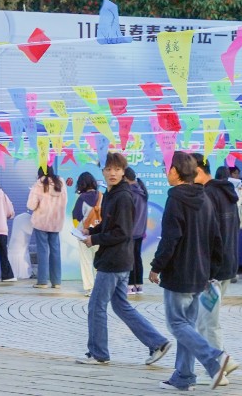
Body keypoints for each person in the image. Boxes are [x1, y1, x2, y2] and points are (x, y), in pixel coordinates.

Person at [150, 152, 237, 391]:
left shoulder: (175, 199)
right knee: (187, 325)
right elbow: (216, 239)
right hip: (200, 274)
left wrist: (157, 267)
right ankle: (184, 376)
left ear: (176, 172)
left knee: (177, 324)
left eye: (167, 168)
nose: (165, 172)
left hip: (179, 273)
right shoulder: (205, 198)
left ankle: (215, 359)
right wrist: (211, 270)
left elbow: (170, 239)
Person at [75, 152, 170, 367]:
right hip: (119, 259)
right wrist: (92, 231)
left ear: (123, 171)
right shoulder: (111, 194)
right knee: (121, 306)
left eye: (117, 169)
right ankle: (158, 343)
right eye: (108, 169)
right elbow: (111, 225)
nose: (112, 173)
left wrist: (95, 239)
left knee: (96, 305)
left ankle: (98, 353)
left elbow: (123, 232)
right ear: (103, 171)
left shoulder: (123, 196)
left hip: (114, 260)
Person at [195, 154, 240, 349]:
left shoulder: (207, 195)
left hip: (212, 269)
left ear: (197, 170)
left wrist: (207, 269)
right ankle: (214, 365)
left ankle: (218, 366)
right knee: (204, 322)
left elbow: (208, 235)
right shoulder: (226, 193)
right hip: (226, 263)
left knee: (208, 323)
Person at [26, 167, 67, 289]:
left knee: (42, 251)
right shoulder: (61, 183)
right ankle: (56, 281)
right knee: (55, 251)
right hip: (56, 222)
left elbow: (31, 205)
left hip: (41, 221)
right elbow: (64, 202)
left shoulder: (39, 184)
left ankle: (43, 281)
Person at [71, 172, 101, 293]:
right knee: (99, 261)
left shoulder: (82, 199)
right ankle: (101, 287)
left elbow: (76, 216)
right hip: (99, 233)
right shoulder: (102, 196)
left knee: (86, 261)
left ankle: (89, 288)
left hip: (84, 233)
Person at [124, 167, 149, 294]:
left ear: (125, 178)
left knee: (130, 257)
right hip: (140, 231)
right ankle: (138, 285)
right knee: (137, 257)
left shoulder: (130, 193)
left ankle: (129, 286)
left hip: (131, 231)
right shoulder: (141, 191)